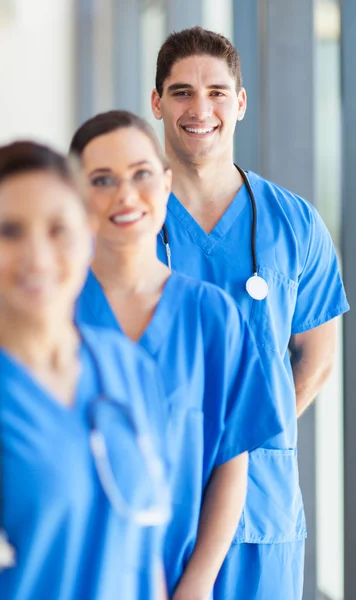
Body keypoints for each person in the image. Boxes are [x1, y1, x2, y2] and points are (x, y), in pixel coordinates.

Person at [150, 26, 350, 600]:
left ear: (239, 101)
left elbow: (316, 355)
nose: (200, 108)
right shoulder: (129, 220)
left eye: (216, 91)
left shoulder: (296, 225)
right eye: (182, 91)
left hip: (263, 505)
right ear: (157, 101)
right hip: (160, 492)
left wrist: (249, 431)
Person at [70, 110, 284, 600]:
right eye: (101, 180)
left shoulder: (211, 317)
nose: (125, 194)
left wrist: (197, 583)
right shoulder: (45, 317)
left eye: (141, 174)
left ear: (165, 183)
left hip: (176, 583)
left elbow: (232, 461)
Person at [0, 141, 171, 600]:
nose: (38, 255)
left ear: (89, 230)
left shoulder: (129, 370)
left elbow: (143, 553)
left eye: (59, 229)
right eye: (10, 231)